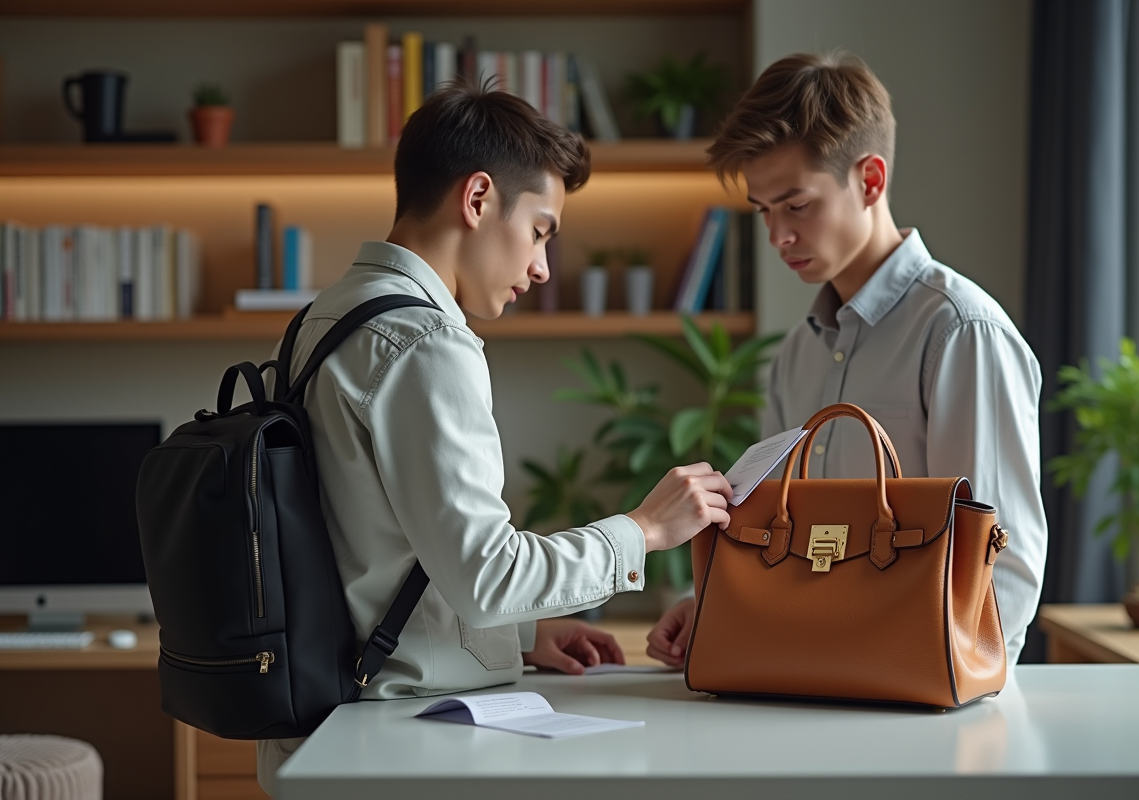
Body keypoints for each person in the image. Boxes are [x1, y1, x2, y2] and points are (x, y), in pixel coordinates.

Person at [256, 80, 732, 795]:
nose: (541, 267)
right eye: (540, 230)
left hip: (330, 728)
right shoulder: (428, 341)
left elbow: (366, 550)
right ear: (477, 199)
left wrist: (521, 636)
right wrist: (643, 531)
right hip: (407, 745)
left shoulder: (322, 320)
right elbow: (488, 578)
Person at [646, 52, 1047, 670]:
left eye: (797, 205)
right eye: (764, 211)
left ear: (871, 181)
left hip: (922, 700)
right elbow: (784, 543)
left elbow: (1003, 559)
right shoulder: (796, 355)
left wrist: (966, 701)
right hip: (811, 679)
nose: (777, 235)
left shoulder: (961, 332)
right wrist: (710, 600)